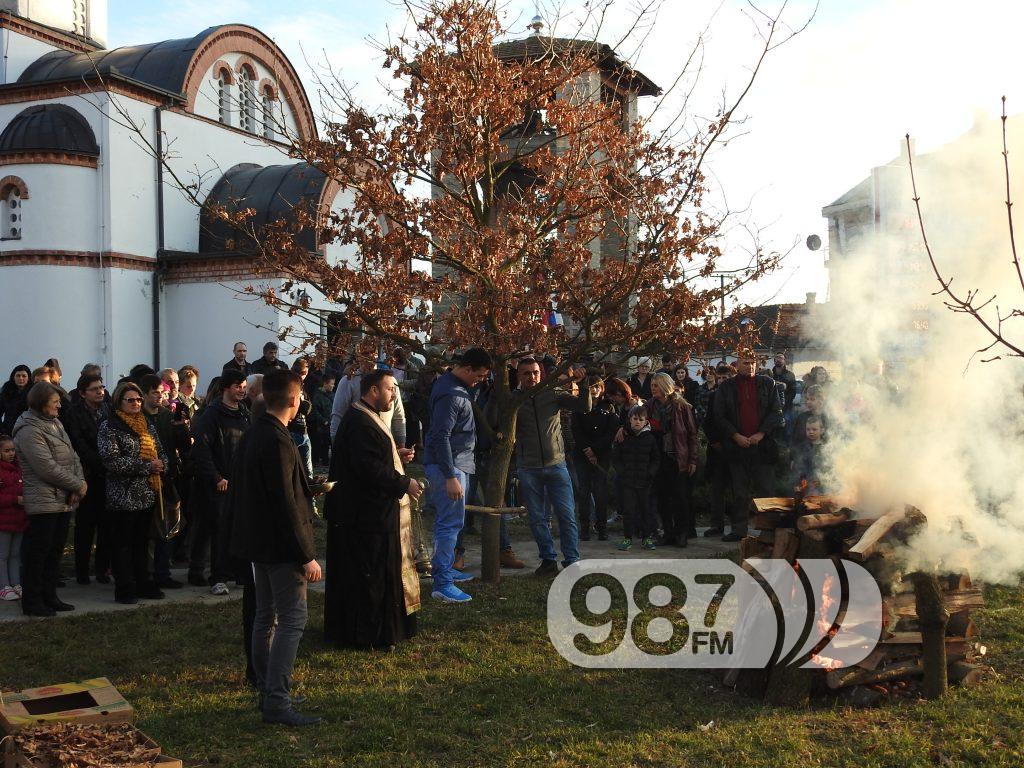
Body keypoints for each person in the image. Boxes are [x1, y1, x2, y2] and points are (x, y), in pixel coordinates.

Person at [228, 369, 322, 727]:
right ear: (295, 400)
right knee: (291, 620)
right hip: (280, 547)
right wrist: (306, 555)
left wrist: (307, 486)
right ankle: (277, 701)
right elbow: (284, 504)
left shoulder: (255, 433)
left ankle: (269, 691)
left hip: (258, 542)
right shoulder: (277, 439)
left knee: (265, 617)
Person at [326, 368, 424, 642]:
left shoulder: (366, 416)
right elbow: (367, 467)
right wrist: (405, 484)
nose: (394, 395)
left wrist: (395, 455)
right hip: (363, 516)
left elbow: (372, 457)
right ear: (373, 391)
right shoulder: (360, 421)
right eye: (390, 389)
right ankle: (370, 635)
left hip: (370, 512)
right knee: (369, 576)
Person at [421, 349, 492, 602]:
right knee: (449, 524)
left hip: (456, 464)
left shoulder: (452, 386)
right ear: (468, 368)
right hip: (449, 467)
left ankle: (446, 570)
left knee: (450, 523)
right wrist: (450, 475)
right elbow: (441, 436)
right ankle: (442, 583)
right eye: (479, 375)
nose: (480, 381)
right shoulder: (451, 394)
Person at [13, 382, 86, 616]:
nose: (59, 406)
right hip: (43, 501)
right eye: (55, 402)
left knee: (54, 552)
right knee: (38, 554)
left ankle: (50, 596)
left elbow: (73, 456)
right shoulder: (28, 429)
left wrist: (79, 482)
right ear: (41, 403)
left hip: (62, 498)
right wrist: (77, 484)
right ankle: (33, 601)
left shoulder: (55, 423)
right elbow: (45, 467)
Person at [514, 358, 590, 575]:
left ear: (541, 373)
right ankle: (548, 559)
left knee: (566, 515)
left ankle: (572, 560)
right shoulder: (515, 399)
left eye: (535, 372)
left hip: (556, 463)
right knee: (537, 518)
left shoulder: (553, 392)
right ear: (519, 375)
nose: (532, 377)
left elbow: (584, 407)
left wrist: (584, 384)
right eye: (527, 373)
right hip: (529, 466)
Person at [97, 382, 168, 605]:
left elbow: (160, 451)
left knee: (142, 543)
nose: (136, 403)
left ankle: (143, 582)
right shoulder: (109, 426)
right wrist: (147, 466)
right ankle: (125, 587)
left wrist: (162, 464)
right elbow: (112, 461)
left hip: (146, 494)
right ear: (119, 402)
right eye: (131, 400)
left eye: (138, 399)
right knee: (123, 545)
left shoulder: (146, 423)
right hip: (123, 497)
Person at [188, 369, 250, 595]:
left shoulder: (244, 413)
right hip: (217, 483)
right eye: (238, 387)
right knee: (219, 531)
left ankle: (239, 573)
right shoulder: (212, 415)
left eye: (244, 387)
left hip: (238, 482)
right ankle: (218, 577)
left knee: (238, 528)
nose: (242, 391)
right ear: (226, 388)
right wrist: (216, 477)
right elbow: (202, 449)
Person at [712, 350, 783, 542]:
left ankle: (769, 531)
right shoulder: (726, 387)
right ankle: (739, 530)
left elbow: (776, 412)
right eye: (745, 362)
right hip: (737, 447)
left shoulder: (768, 384)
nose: (750, 366)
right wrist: (735, 436)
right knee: (739, 492)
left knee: (766, 492)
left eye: (753, 362)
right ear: (736, 364)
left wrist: (761, 434)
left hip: (763, 447)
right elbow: (719, 415)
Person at [61, 372, 112, 585]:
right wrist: (101, 461)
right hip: (86, 475)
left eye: (101, 387)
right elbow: (77, 443)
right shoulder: (74, 413)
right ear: (83, 393)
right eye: (94, 389)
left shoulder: (108, 410)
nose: (100, 391)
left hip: (107, 476)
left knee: (106, 525)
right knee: (85, 526)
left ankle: (102, 569)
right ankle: (82, 570)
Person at [140, 375, 182, 590]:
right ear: (145, 394)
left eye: (162, 392)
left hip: (166, 476)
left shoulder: (166, 415)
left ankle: (163, 572)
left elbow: (177, 444)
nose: (160, 396)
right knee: (148, 529)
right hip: (145, 478)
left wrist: (182, 428)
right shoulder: (139, 417)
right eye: (155, 392)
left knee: (167, 525)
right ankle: (146, 573)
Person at [647, 372, 698, 547]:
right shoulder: (650, 405)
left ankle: (681, 533)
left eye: (656, 385)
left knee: (679, 498)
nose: (653, 389)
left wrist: (692, 460)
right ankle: (668, 532)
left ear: (665, 386)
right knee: (662, 498)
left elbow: (692, 434)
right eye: (652, 385)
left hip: (677, 457)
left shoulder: (681, 406)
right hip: (658, 457)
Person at [571, 376, 618, 541]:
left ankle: (601, 527)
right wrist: (588, 450)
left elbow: (611, 431)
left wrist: (595, 450)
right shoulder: (578, 406)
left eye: (597, 386)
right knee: (584, 491)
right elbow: (576, 430)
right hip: (582, 454)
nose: (594, 389)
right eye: (591, 386)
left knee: (600, 492)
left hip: (602, 454)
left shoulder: (609, 407)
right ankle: (584, 527)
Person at [330, 358, 408, 449]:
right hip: (358, 445)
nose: (370, 358)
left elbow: (398, 415)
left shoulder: (389, 381)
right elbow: (338, 415)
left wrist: (401, 445)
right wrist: (335, 443)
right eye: (365, 354)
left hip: (385, 444)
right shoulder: (349, 380)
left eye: (373, 353)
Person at [612, 405, 660, 551]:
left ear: (646, 421)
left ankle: (646, 538)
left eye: (641, 419)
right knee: (628, 511)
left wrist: (650, 473)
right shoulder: (623, 436)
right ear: (630, 419)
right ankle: (627, 538)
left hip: (645, 482)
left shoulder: (650, 439)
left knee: (646, 510)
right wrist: (622, 472)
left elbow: (656, 459)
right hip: (628, 481)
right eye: (635, 419)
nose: (637, 422)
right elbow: (616, 458)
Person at [701, 362, 735, 537]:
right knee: (716, 489)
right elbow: (707, 422)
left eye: (725, 377)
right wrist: (714, 441)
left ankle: (738, 526)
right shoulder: (713, 396)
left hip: (736, 448)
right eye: (719, 378)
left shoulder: (738, 396)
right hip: (717, 449)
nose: (721, 381)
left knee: (737, 489)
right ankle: (716, 524)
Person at [0, 436, 27, 601]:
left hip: (19, 519)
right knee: (2, 555)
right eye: (6, 450)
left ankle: (16, 583)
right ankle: (3, 586)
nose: (11, 453)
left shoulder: (18, 469)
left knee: (15, 554)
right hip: (3, 521)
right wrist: (14, 499)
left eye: (13, 450)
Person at [288, 358, 314, 479]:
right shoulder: (291, 386)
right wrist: (303, 404)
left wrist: (304, 404)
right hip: (293, 430)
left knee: (308, 471)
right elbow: (301, 407)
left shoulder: (302, 388)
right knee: (293, 467)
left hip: (304, 430)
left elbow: (307, 408)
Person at [792, 415, 829, 495]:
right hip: (806, 487)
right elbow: (798, 468)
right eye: (808, 429)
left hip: (823, 487)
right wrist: (797, 484)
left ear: (822, 430)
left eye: (814, 429)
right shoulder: (801, 447)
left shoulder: (827, 448)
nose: (811, 432)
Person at [791, 384, 829, 450]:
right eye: (807, 399)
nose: (808, 402)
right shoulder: (801, 418)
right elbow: (795, 440)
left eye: (812, 399)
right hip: (803, 452)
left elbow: (830, 439)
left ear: (821, 400)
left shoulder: (827, 418)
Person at [310, 374, 335, 468]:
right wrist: (324, 421)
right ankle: (324, 462)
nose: (333, 386)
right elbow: (315, 411)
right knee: (324, 445)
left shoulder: (333, 395)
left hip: (332, 423)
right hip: (323, 426)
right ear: (325, 384)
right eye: (331, 384)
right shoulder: (317, 396)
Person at [1, 365, 31, 437]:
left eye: (24, 376)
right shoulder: (6, 391)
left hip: (28, 431)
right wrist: (2, 430)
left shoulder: (34, 392)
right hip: (8, 431)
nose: (21, 378)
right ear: (13, 377)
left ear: (28, 378)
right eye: (18, 376)